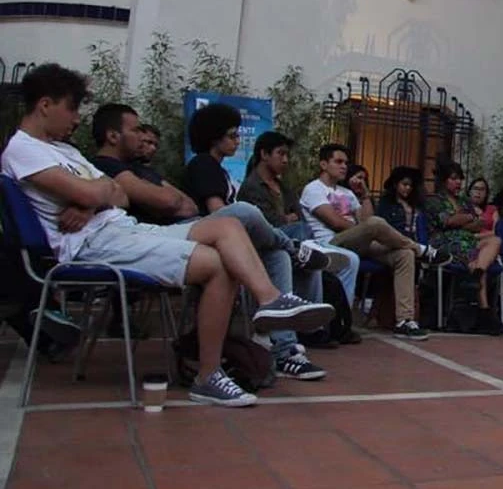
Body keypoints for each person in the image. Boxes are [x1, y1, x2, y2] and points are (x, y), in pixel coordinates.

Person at [1, 64, 333, 406]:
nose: (76, 119)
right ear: (45, 105)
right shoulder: (24, 149)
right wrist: (95, 195)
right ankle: (209, 376)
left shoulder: (66, 151)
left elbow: (120, 194)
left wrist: (91, 200)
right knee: (218, 263)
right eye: (72, 108)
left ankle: (270, 301)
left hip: (124, 229)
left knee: (228, 226)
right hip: (94, 244)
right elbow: (100, 190)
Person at [93, 105, 335, 379]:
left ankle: (284, 351)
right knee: (244, 212)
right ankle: (294, 249)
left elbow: (183, 202)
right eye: (136, 131)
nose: (142, 137)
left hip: (199, 230)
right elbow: (180, 203)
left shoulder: (144, 170)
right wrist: (169, 200)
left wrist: (171, 200)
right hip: (171, 236)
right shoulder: (112, 167)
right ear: (113, 135)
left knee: (274, 255)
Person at [300, 143, 444, 340]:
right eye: (338, 162)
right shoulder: (313, 189)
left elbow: (367, 220)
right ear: (323, 164)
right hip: (329, 243)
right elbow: (335, 222)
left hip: (358, 242)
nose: (343, 166)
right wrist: (364, 228)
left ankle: (404, 321)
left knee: (404, 254)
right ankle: (421, 249)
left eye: (346, 163)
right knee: (376, 225)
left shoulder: (347, 193)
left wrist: (365, 195)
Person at [239, 131, 361, 346]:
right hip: (265, 244)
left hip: (292, 242)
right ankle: (311, 252)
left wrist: (288, 220)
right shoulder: (251, 187)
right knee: (305, 246)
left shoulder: (284, 188)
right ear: (264, 155)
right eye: (281, 154)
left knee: (310, 261)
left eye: (287, 155)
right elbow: (266, 224)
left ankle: (312, 329)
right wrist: (287, 219)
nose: (285, 160)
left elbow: (299, 217)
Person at [423, 161, 503, 335]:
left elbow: (478, 225)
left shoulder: (464, 201)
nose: (458, 182)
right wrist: (467, 218)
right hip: (444, 242)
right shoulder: (433, 200)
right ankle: (484, 312)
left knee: (495, 241)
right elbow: (447, 221)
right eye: (453, 178)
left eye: (460, 178)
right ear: (443, 180)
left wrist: (461, 220)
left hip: (467, 239)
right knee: (475, 256)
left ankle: (476, 275)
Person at [377, 166, 422, 238]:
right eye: (405, 184)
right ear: (395, 184)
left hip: (414, 239)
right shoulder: (386, 203)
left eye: (411, 186)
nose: (408, 188)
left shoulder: (416, 203)